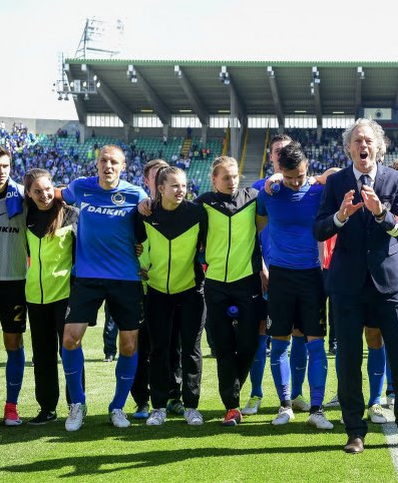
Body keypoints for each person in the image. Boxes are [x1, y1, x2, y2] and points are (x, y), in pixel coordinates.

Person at [314, 118, 398, 453]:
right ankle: (354, 431)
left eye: (368, 140)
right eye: (357, 140)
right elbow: (319, 230)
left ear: (379, 147)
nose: (363, 145)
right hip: (347, 285)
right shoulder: (336, 183)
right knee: (349, 357)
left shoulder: (396, 180)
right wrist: (340, 216)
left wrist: (382, 215)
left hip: (389, 282)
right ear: (349, 147)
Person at [60, 145, 148, 431]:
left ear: (123, 166)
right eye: (103, 161)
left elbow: (153, 220)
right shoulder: (80, 188)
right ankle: (78, 404)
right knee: (70, 339)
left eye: (113, 162)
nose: (108, 166)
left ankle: (118, 406)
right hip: (87, 277)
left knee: (129, 344)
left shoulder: (136, 195)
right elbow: (54, 195)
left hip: (126, 278)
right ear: (96, 164)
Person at [257, 142, 332, 430]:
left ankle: (317, 408)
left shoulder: (317, 190)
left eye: (300, 176)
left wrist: (316, 178)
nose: (295, 182)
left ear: (306, 169)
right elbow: (250, 198)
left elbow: (338, 174)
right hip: (280, 277)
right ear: (280, 171)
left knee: (316, 344)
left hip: (312, 276)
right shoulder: (269, 192)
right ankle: (285, 405)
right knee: (279, 345)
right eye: (289, 177)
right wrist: (270, 180)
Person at [243, 134, 312, 417]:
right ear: (271, 157)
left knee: (299, 332)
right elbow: (251, 235)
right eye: (276, 151)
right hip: (265, 272)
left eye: (286, 150)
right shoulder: (259, 190)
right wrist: (260, 266)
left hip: (295, 272)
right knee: (262, 332)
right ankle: (256, 393)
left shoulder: (305, 184)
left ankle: (295, 394)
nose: (281, 154)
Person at [195, 156, 264, 426]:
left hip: (247, 282)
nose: (232, 181)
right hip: (214, 285)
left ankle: (233, 392)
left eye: (235, 176)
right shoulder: (202, 204)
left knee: (248, 345)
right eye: (226, 177)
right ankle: (232, 406)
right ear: (214, 179)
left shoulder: (253, 198)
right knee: (223, 346)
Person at [137, 166, 207, 426]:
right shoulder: (145, 212)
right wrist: (143, 265)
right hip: (156, 292)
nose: (181, 190)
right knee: (159, 350)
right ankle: (158, 407)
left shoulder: (197, 213)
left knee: (191, 350)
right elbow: (136, 244)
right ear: (161, 188)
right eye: (174, 185)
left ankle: (191, 406)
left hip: (191, 291)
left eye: (184, 185)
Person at [23, 169, 79, 425]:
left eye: (47, 189)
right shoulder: (24, 216)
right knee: (42, 355)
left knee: (69, 351)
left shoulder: (71, 214)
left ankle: (75, 404)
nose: (44, 195)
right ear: (28, 194)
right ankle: (47, 407)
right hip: (34, 296)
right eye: (37, 191)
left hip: (65, 296)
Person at [0, 146, 28, 426]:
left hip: (15, 283)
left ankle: (11, 406)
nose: (1, 171)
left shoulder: (21, 195)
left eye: (5, 166)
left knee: (13, 342)